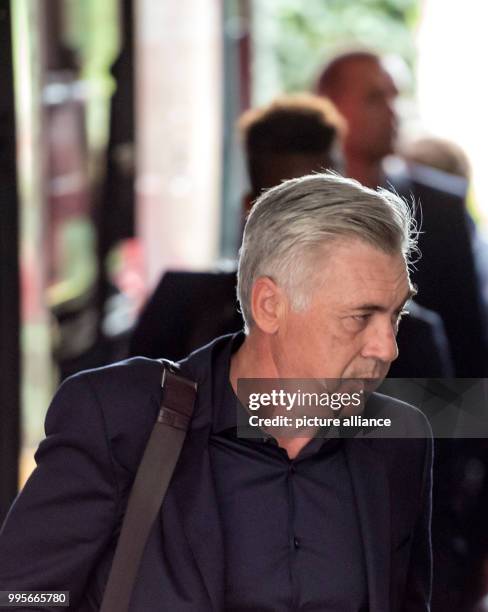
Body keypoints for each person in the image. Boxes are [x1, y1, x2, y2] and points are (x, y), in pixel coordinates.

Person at [0, 173, 432, 611]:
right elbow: (20, 595)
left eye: (395, 315)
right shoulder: (121, 417)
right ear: (269, 306)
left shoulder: (397, 440)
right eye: (360, 317)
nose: (388, 348)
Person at [129, 94, 453, 378]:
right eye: (287, 212)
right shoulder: (182, 310)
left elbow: (451, 443)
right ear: (250, 210)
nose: (307, 230)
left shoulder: (407, 338)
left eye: (320, 207)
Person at [316, 50, 488, 378]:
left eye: (395, 96)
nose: (393, 111)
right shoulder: (298, 208)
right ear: (331, 108)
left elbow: (468, 335)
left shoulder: (441, 206)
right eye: (374, 98)